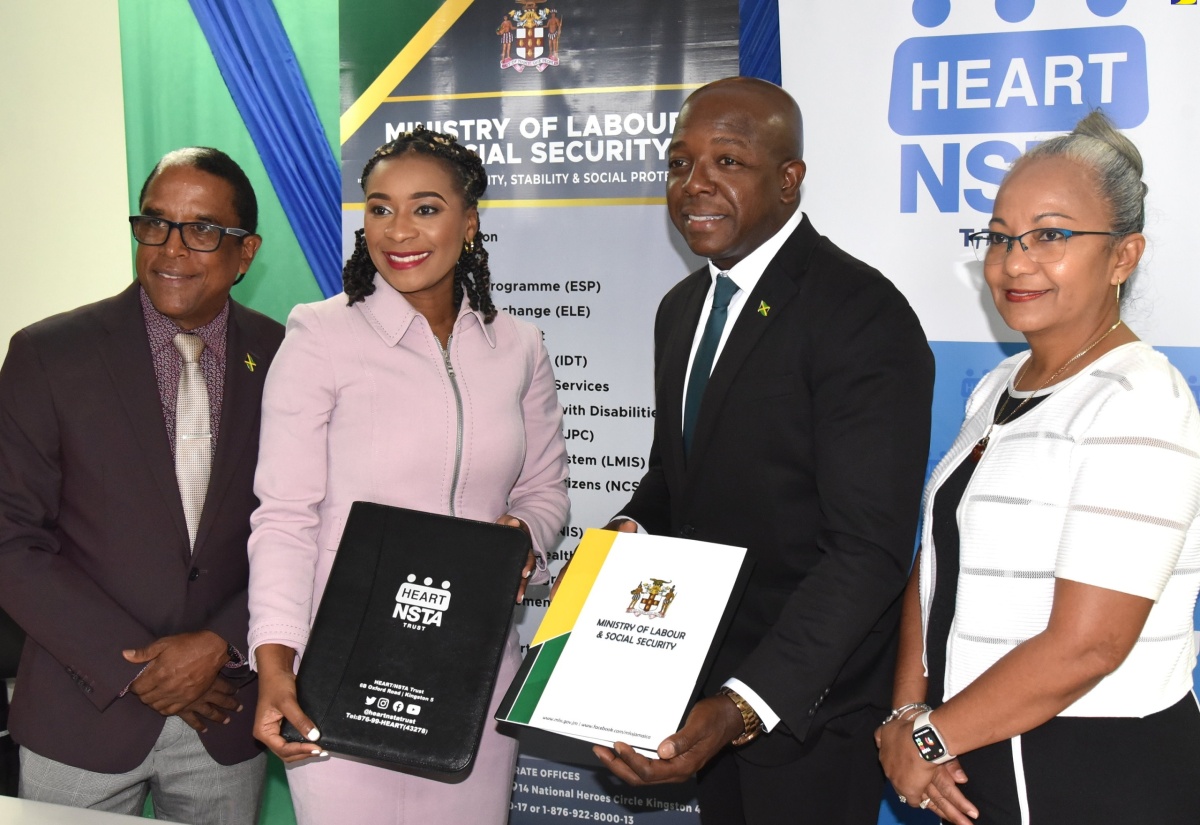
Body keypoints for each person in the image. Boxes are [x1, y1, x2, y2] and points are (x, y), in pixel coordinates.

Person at [588, 77, 935, 824]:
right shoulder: (681, 309)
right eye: (679, 163)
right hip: (701, 694)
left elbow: (866, 552)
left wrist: (743, 704)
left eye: (727, 162)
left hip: (807, 712)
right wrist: (632, 534)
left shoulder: (861, 315)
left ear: (788, 179)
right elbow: (673, 477)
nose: (694, 185)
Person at [876, 111, 1200, 825]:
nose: (1014, 261)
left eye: (1050, 235)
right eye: (999, 238)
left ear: (1124, 255)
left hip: (1094, 772)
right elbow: (936, 563)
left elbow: (1089, 643)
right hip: (976, 750)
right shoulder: (1002, 384)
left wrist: (927, 738)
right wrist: (907, 710)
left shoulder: (1140, 398)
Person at [247, 126, 569, 825]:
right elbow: (283, 516)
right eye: (378, 207)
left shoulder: (519, 345)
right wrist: (276, 664)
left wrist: (525, 537)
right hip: (339, 670)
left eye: (425, 207)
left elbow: (544, 490)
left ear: (470, 221)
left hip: (473, 671)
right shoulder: (319, 336)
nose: (398, 230)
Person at [0, 147, 282, 823]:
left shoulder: (284, 357)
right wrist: (137, 668)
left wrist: (220, 643)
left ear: (246, 253)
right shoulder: (49, 354)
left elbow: (303, 525)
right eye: (154, 223)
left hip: (225, 709)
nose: (170, 249)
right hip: (81, 708)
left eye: (203, 229)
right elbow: (10, 536)